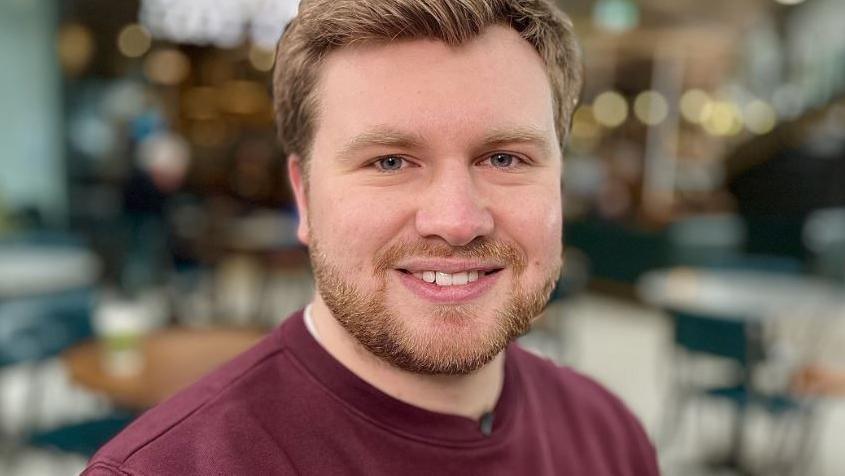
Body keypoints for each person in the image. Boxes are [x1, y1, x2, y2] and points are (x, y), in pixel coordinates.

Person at [84, 0, 660, 474]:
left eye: (505, 158)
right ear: (304, 196)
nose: (457, 220)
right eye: (390, 162)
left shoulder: (610, 438)